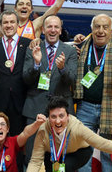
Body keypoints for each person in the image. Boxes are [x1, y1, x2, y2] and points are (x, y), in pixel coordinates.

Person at [72, 14, 112, 172]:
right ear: (92, 29)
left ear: (111, 30)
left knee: (107, 151)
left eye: (105, 27)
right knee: (83, 149)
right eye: (97, 27)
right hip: (85, 106)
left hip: (109, 107)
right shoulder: (83, 46)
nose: (101, 31)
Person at [22, 15, 77, 162]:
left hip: (61, 110)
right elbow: (26, 79)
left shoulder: (70, 51)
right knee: (31, 154)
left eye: (56, 27)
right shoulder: (33, 48)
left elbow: (72, 80)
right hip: (35, 107)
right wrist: (36, 64)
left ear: (60, 30)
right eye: (49, 27)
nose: (53, 30)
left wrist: (63, 68)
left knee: (60, 155)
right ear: (43, 30)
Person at [0, 11, 31, 139]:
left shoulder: (28, 44)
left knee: (18, 140)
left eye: (12, 22)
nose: (9, 25)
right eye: (5, 22)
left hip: (21, 101)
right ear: (1, 25)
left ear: (17, 24)